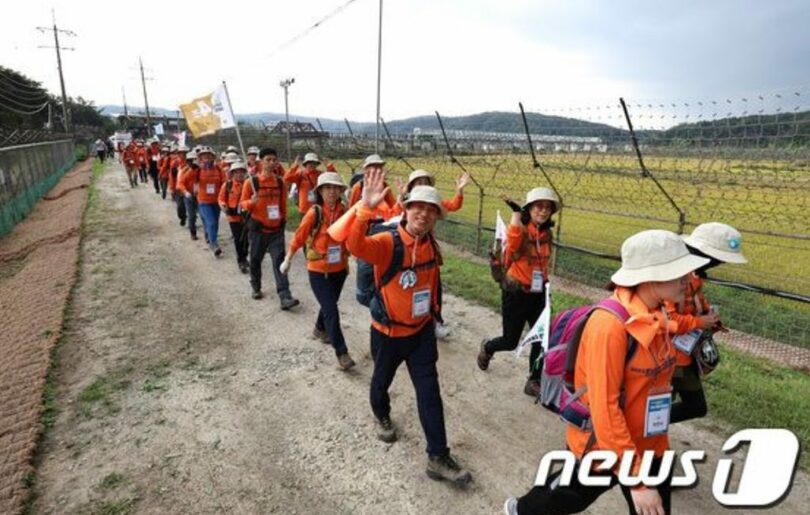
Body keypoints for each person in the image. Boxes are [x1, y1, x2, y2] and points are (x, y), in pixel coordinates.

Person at [504, 229, 710, 515]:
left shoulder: (660, 314)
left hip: (650, 444)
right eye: (678, 273)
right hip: (603, 447)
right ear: (650, 278)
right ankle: (521, 510)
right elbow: (605, 409)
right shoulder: (609, 326)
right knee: (565, 498)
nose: (687, 280)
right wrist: (637, 481)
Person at [346, 168, 473, 487]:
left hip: (420, 334)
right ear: (406, 207)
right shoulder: (388, 242)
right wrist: (365, 208)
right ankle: (382, 414)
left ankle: (438, 456)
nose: (425, 214)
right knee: (381, 382)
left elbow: (430, 286)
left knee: (430, 393)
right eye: (419, 207)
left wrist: (433, 316)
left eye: (432, 210)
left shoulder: (431, 245)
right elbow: (355, 246)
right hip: (388, 334)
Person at [477, 187, 558, 397]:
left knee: (541, 339)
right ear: (529, 209)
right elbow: (512, 241)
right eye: (539, 206)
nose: (543, 211)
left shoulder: (546, 234)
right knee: (511, 341)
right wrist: (515, 213)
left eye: (547, 208)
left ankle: (533, 380)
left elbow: (543, 265)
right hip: (517, 294)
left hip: (538, 294)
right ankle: (488, 348)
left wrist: (546, 291)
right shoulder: (521, 230)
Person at [666, 223, 746, 424]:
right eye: (717, 260)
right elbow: (666, 319)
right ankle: (640, 435)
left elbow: (694, 306)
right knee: (659, 407)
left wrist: (710, 319)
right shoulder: (674, 277)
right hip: (665, 356)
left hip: (685, 354)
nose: (718, 264)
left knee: (694, 407)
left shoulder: (694, 278)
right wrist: (700, 321)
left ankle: (645, 429)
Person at [281, 172, 356, 370]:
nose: (332, 191)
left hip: (339, 268)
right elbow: (299, 237)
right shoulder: (314, 213)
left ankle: (319, 328)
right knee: (332, 309)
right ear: (320, 191)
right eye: (327, 188)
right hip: (317, 270)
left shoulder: (345, 212)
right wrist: (288, 259)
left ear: (341, 191)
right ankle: (342, 353)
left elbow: (353, 236)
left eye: (335, 188)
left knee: (329, 304)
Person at [239, 147, 299, 309]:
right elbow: (242, 205)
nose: (271, 163)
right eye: (268, 160)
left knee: (279, 262)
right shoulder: (251, 182)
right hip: (258, 230)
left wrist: (283, 221)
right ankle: (256, 286)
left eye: (274, 160)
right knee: (256, 259)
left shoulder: (280, 182)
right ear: (261, 161)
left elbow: (283, 205)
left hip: (276, 231)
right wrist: (251, 202)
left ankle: (285, 296)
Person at [219, 160, 250, 273]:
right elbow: (221, 198)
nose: (239, 174)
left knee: (246, 239)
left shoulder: (250, 184)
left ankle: (245, 257)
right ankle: (241, 261)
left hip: (246, 217)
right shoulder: (227, 185)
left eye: (241, 172)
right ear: (232, 174)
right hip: (233, 217)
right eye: (236, 172)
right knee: (238, 239)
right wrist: (223, 206)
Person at [195, 146, 226, 256]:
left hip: (216, 201)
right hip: (203, 202)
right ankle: (214, 244)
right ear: (201, 158)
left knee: (215, 223)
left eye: (209, 155)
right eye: (204, 155)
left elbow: (224, 184)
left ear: (213, 157)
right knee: (211, 222)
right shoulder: (197, 170)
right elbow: (191, 181)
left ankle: (210, 236)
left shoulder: (219, 170)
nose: (206, 157)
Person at [177, 149, 202, 241]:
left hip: (200, 195)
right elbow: (180, 183)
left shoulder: (201, 169)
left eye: (193, 160)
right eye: (189, 160)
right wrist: (185, 192)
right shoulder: (184, 170)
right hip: (189, 196)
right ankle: (193, 233)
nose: (191, 162)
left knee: (203, 215)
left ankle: (208, 235)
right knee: (191, 215)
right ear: (187, 161)